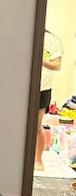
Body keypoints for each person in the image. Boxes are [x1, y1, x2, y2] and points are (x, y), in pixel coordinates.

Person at [35, 29, 63, 170]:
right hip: (26, 85)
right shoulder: (28, 34)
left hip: (43, 87)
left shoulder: (52, 39)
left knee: (36, 125)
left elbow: (57, 65)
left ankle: (38, 160)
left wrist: (41, 61)